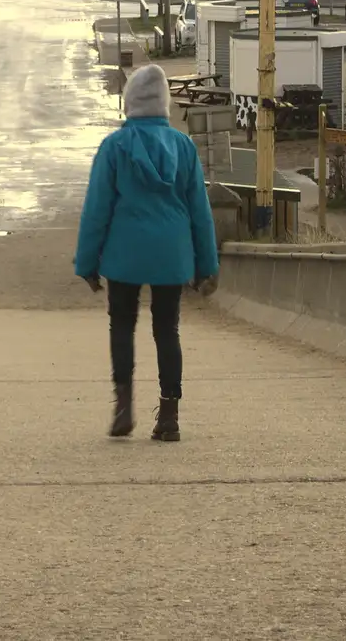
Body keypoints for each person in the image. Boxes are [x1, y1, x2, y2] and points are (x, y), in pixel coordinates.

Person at [75, 64, 219, 443]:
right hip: (171, 254)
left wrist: (87, 262)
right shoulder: (183, 147)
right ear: (164, 104)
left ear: (130, 104)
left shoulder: (114, 147)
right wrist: (207, 264)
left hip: (124, 254)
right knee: (166, 329)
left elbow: (97, 209)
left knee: (121, 326)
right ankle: (169, 413)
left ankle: (123, 407)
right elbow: (200, 212)